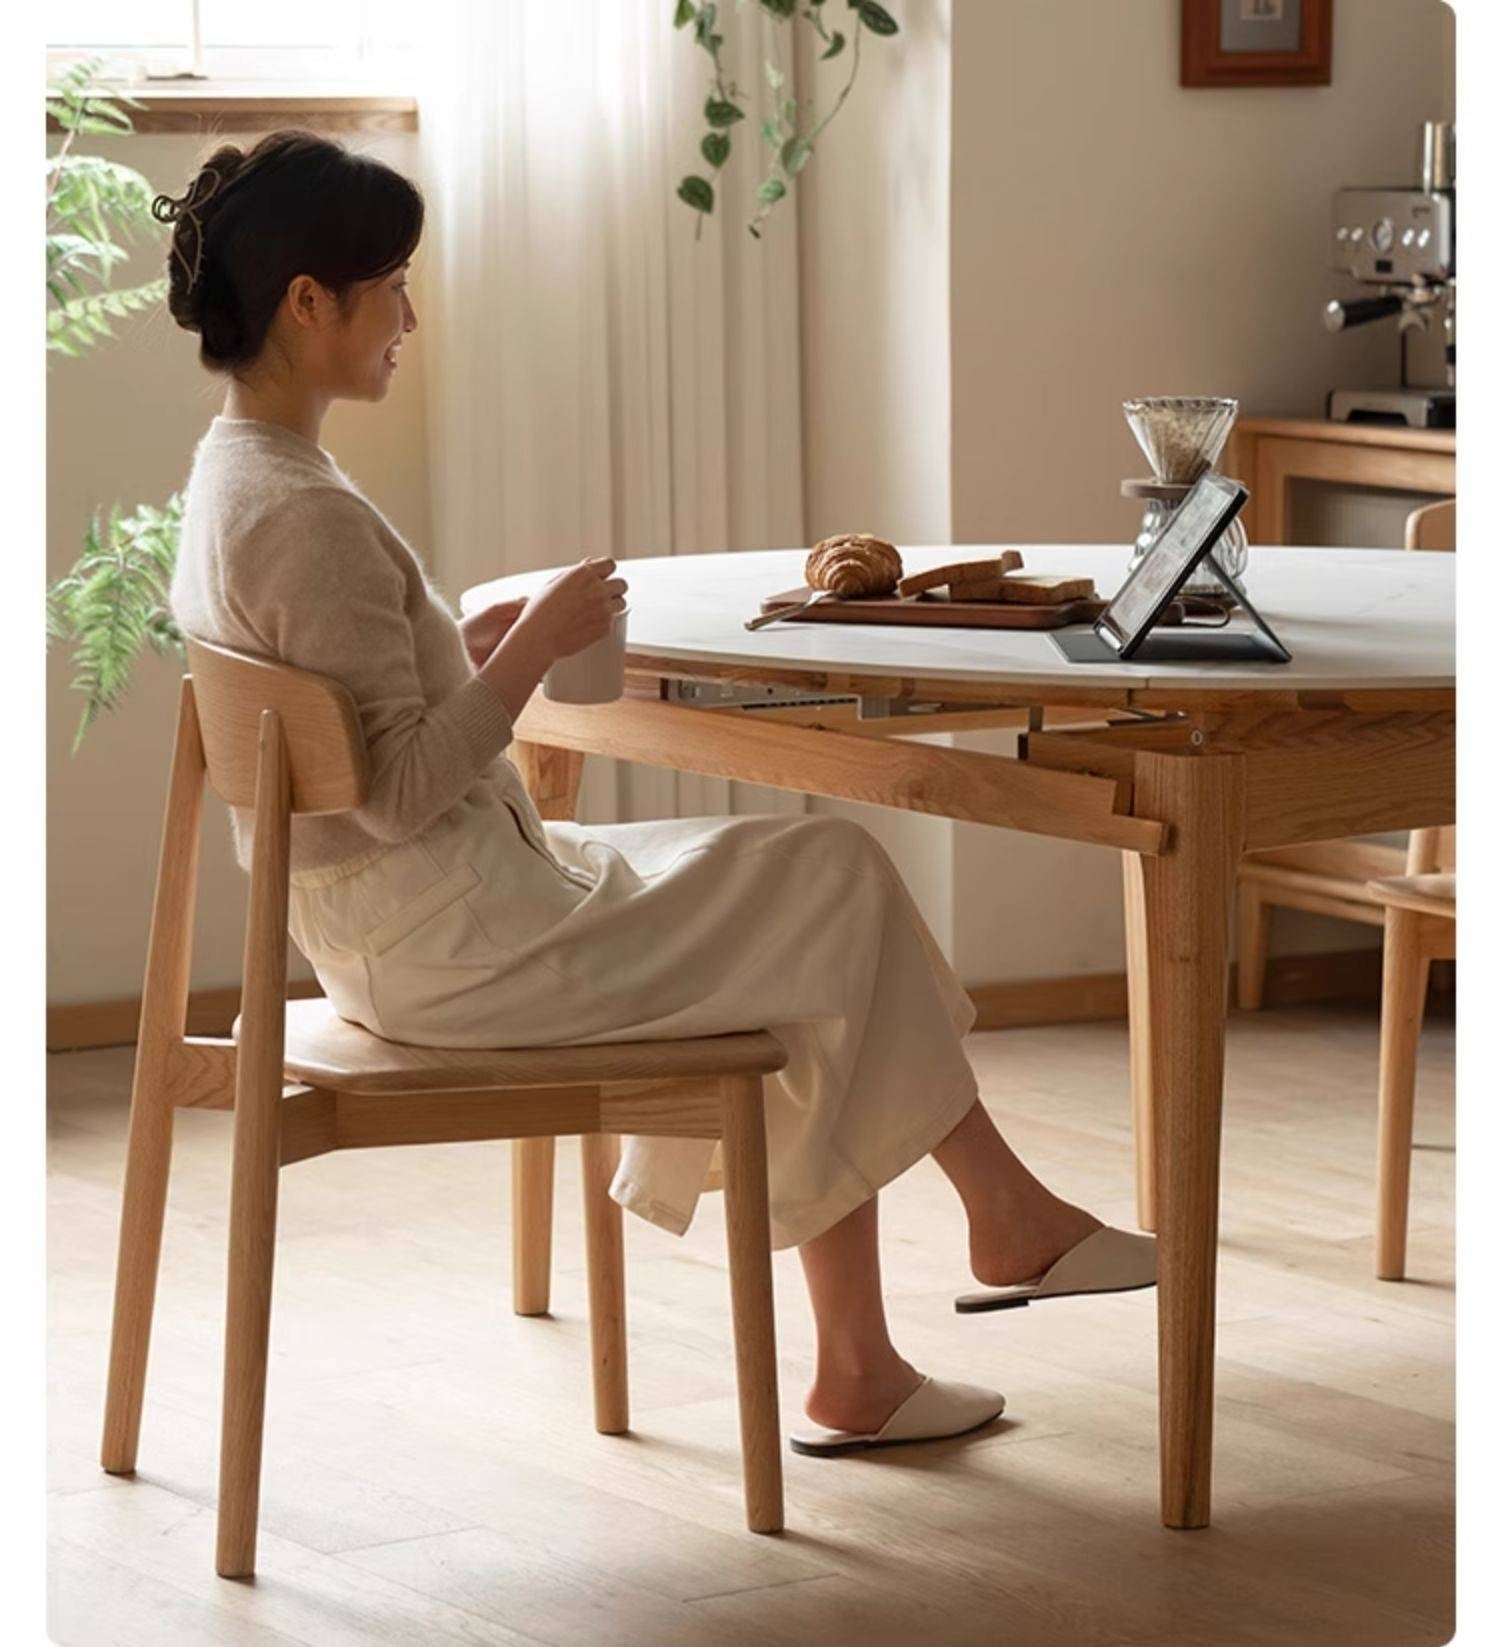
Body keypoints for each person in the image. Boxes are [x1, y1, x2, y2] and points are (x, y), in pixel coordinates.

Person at [161, 131, 1154, 1458]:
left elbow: (358, 728)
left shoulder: (231, 481)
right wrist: (531, 644)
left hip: (396, 930)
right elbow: (398, 790)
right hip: (456, 938)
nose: (410, 314)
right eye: (390, 283)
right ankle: (991, 1236)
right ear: (307, 304)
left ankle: (878, 1353)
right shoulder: (309, 511)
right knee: (831, 882)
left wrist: (471, 638)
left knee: (806, 915)